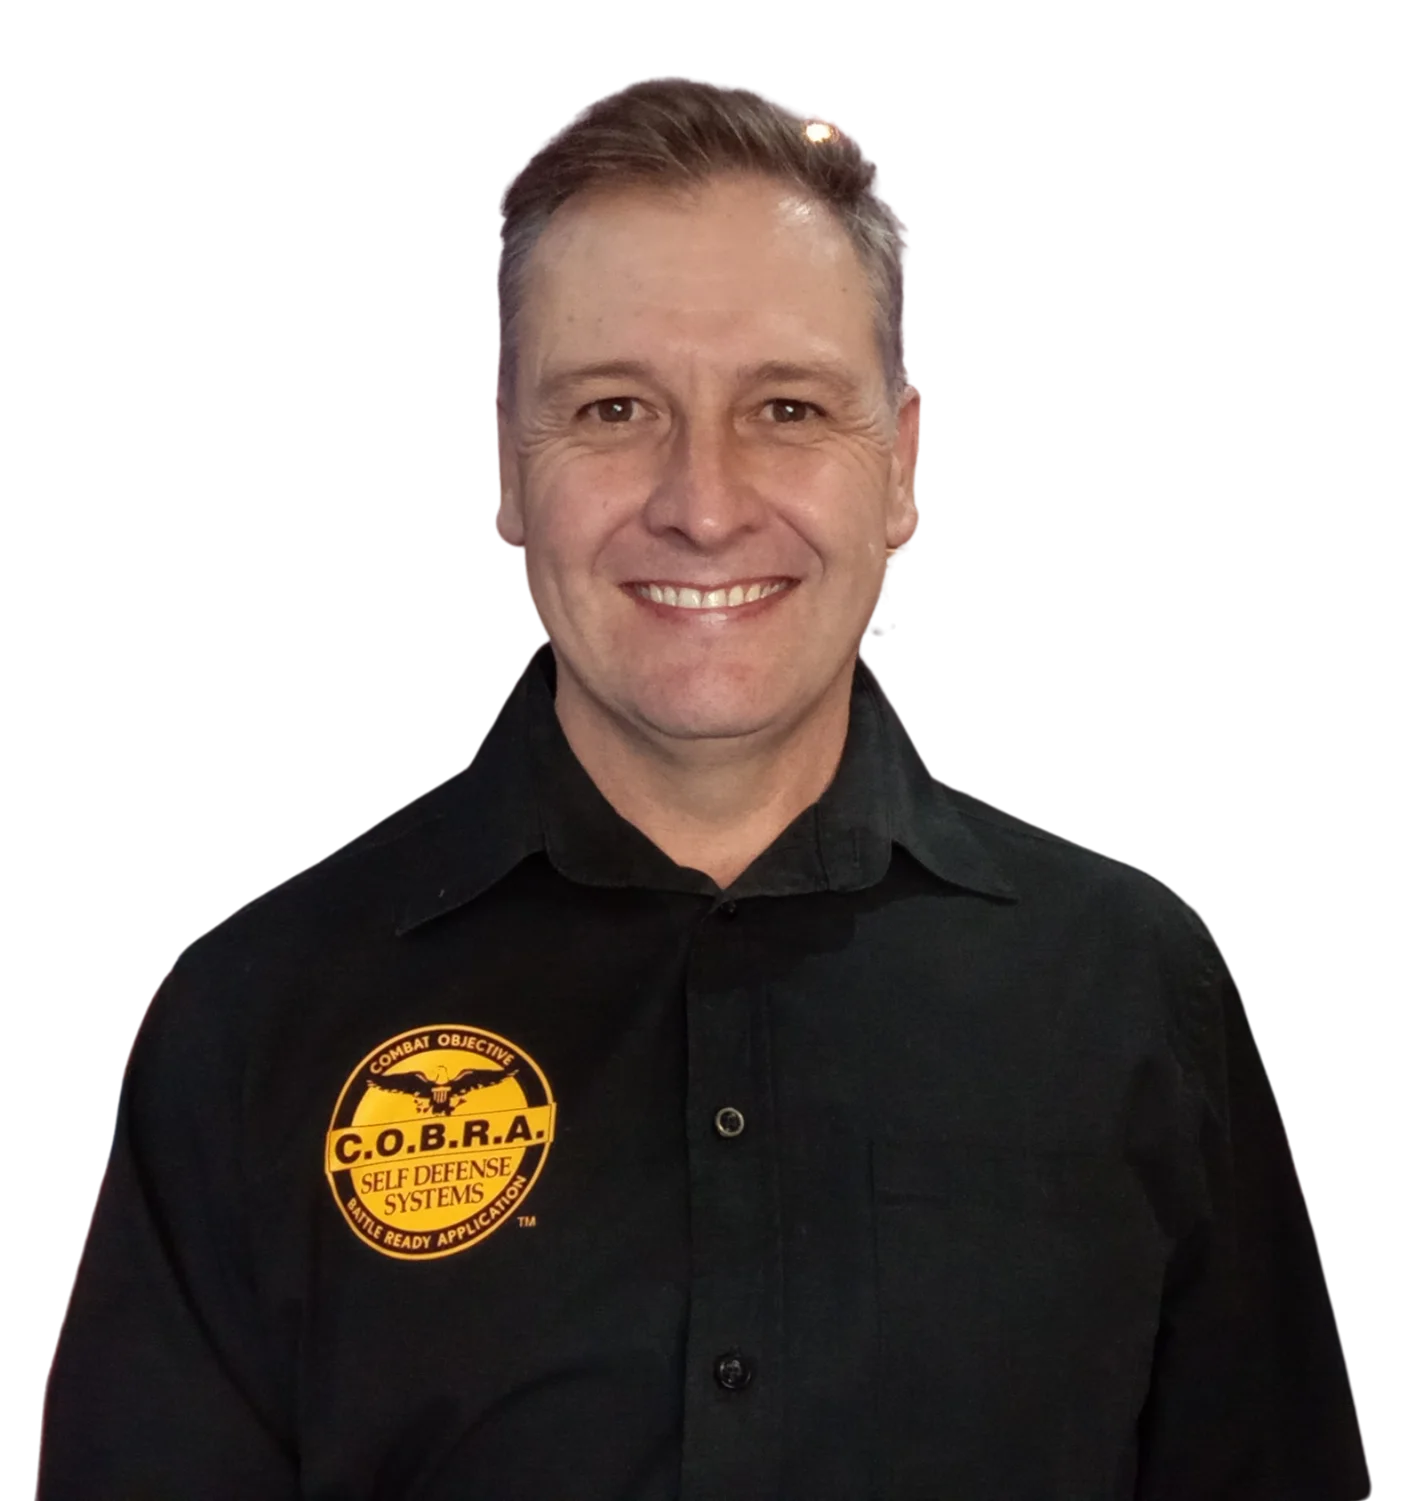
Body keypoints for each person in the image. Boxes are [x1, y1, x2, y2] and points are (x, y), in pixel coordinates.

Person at [38, 77, 1372, 1500]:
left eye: (787, 407)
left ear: (902, 469)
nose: (704, 503)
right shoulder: (251, 1020)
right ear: (509, 464)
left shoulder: (1135, 987)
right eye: (614, 408)